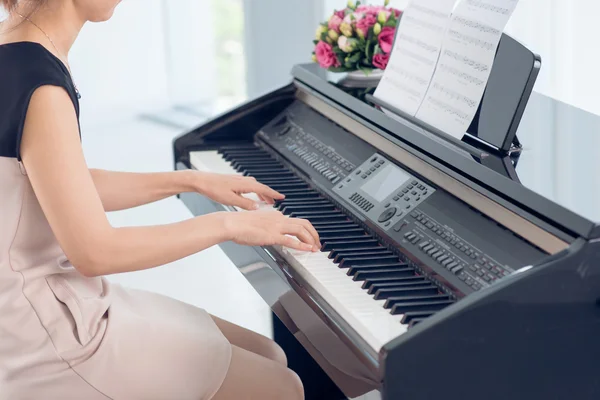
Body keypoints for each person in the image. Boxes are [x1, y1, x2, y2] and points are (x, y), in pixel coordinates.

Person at [0, 1, 321, 398]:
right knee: (282, 387)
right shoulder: (39, 82)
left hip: (55, 302)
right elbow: (95, 252)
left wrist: (190, 180)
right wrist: (230, 224)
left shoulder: (15, 48)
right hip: (54, 335)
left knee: (269, 353)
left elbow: (62, 183)